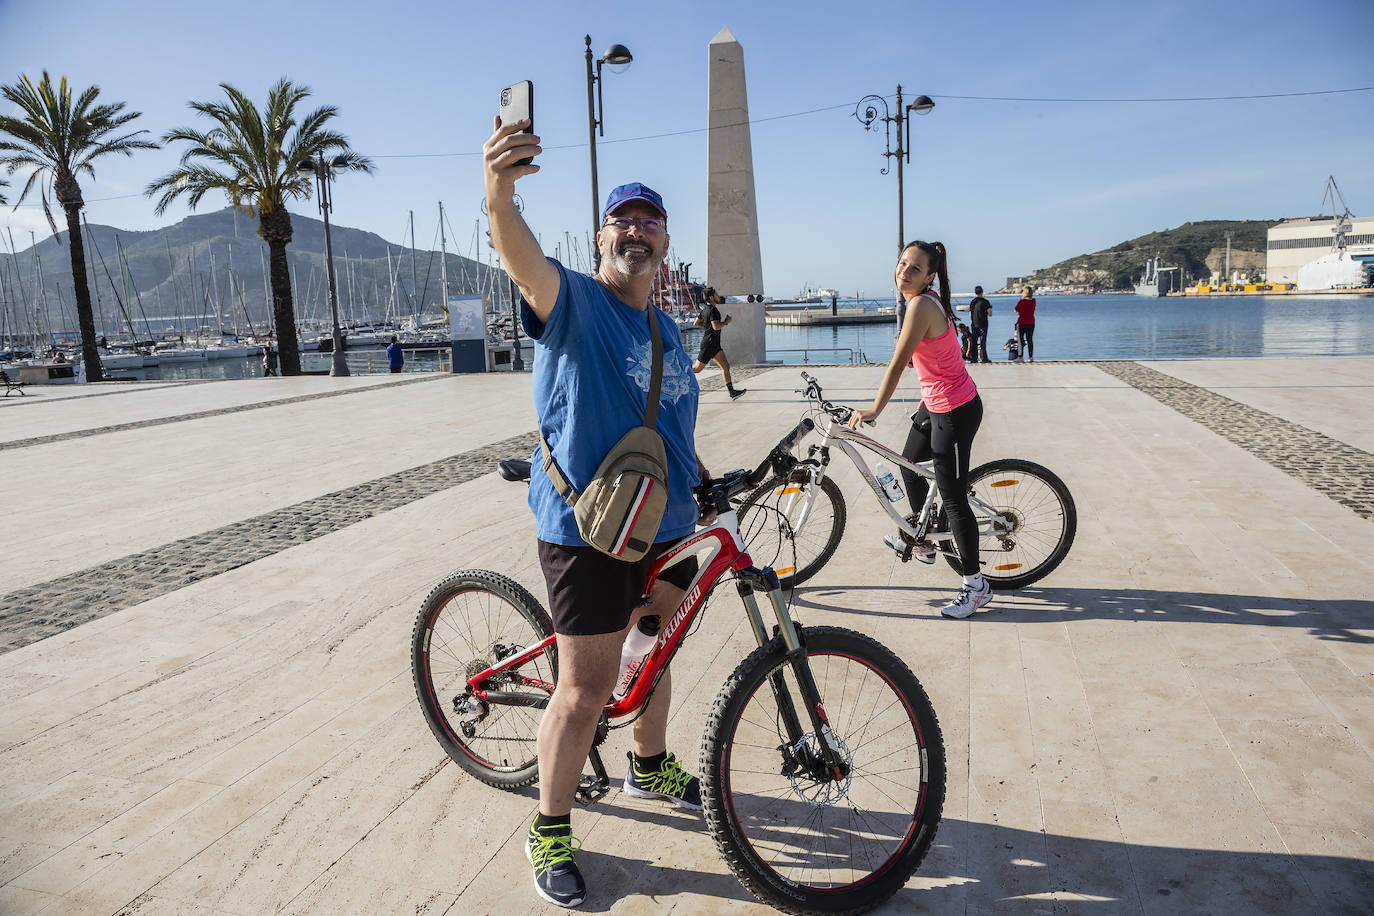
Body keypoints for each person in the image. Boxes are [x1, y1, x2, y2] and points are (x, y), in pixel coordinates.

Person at [484, 114, 711, 909]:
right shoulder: (573, 299)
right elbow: (518, 255)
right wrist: (500, 192)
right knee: (581, 692)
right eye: (622, 218)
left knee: (655, 653)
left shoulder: (667, 329)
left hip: (666, 522)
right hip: (590, 526)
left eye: (648, 219)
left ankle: (649, 764)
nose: (636, 230)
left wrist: (707, 481)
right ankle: (549, 827)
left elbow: (672, 421)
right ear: (599, 237)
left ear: (665, 241)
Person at [846, 240, 992, 620]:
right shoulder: (923, 303)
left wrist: (875, 408)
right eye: (901, 263)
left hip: (956, 412)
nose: (903, 271)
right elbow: (922, 357)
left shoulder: (922, 305)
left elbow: (896, 365)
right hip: (935, 404)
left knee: (954, 498)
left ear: (929, 276)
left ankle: (976, 586)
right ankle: (923, 540)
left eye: (914, 268)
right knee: (907, 463)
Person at [691, 286, 746, 399]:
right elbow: (716, 327)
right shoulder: (713, 310)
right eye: (716, 294)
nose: (718, 296)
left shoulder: (704, 310)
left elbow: (696, 323)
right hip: (709, 345)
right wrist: (726, 322)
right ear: (711, 297)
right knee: (696, 370)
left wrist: (707, 327)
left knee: (726, 367)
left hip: (714, 345)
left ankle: (732, 393)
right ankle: (675, 375)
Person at [969, 285, 991, 362]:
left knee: (974, 341)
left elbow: (970, 314)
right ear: (982, 292)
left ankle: (973, 358)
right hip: (983, 324)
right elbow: (990, 313)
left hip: (974, 324)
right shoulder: (985, 302)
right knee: (982, 341)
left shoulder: (972, 302)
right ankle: (984, 358)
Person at [1014, 285, 1037, 362]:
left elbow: (1015, 310)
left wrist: (1021, 300)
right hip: (1031, 322)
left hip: (1022, 322)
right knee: (1030, 340)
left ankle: (1020, 357)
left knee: (1020, 340)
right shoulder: (1034, 301)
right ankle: (1031, 357)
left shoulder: (1021, 301)